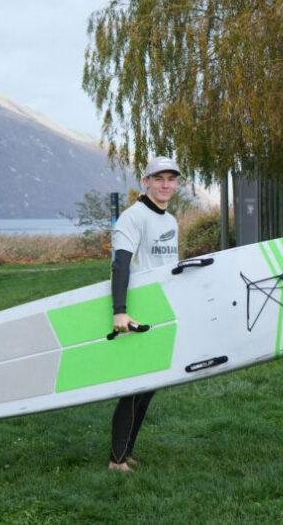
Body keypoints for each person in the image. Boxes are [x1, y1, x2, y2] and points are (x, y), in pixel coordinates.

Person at [108, 156, 182, 471]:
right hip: (135, 313)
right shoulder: (132, 217)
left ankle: (128, 453)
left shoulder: (171, 220)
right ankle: (116, 460)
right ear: (146, 181)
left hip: (161, 308)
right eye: (159, 178)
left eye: (171, 179)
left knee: (149, 387)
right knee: (133, 387)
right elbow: (120, 263)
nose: (166, 185)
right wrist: (120, 311)